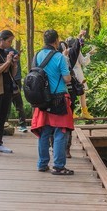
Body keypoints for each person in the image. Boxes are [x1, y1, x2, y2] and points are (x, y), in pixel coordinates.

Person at [31, 29, 75, 175]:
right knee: (60, 132)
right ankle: (59, 166)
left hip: (42, 100)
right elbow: (67, 78)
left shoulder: (37, 55)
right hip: (58, 99)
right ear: (56, 41)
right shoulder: (59, 57)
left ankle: (42, 164)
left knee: (44, 132)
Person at [66, 30, 94, 119]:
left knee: (70, 94)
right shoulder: (76, 50)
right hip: (77, 74)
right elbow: (83, 62)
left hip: (68, 74)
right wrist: (89, 54)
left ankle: (71, 112)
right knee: (82, 93)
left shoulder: (65, 52)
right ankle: (84, 112)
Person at [4, 41, 27, 131]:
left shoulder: (4, 52)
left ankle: (5, 124)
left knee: (7, 103)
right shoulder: (14, 52)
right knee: (18, 103)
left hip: (11, 80)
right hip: (16, 80)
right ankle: (23, 124)